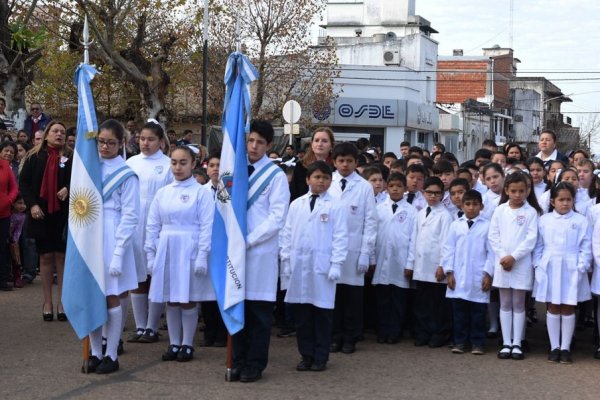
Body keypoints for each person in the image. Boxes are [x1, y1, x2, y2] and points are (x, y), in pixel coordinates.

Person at [231, 120, 290, 383]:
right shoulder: (233, 170)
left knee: (259, 313)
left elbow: (277, 218)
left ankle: (255, 363)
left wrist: (249, 240)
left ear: (268, 145)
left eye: (260, 143)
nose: (253, 146)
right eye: (251, 140)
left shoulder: (275, 176)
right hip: (235, 252)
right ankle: (238, 359)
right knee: (237, 307)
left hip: (260, 253)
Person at [145, 145, 213, 362]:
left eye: (183, 162)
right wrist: (150, 254)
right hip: (167, 247)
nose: (177, 167)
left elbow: (207, 225)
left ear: (193, 164)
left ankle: (187, 343)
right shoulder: (163, 193)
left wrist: (203, 254)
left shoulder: (201, 192)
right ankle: (174, 343)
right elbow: (152, 225)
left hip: (189, 248)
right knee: (171, 298)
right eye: (174, 162)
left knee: (187, 298)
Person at [280, 161, 347, 372]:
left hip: (323, 268)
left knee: (322, 315)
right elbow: (287, 233)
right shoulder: (296, 204)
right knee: (302, 315)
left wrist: (336, 263)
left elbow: (340, 237)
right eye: (317, 177)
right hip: (299, 266)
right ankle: (305, 355)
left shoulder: (336, 206)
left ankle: (321, 356)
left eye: (326, 178)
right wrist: (286, 259)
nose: (321, 181)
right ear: (308, 179)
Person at [86, 119, 140, 374]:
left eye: (111, 143)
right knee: (92, 295)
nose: (105, 147)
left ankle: (111, 353)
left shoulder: (126, 173)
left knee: (111, 295)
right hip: (90, 232)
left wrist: (118, 253)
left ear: (121, 144)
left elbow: (130, 216)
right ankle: (95, 351)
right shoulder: (89, 165)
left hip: (112, 233)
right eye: (101, 141)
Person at [125, 120, 173, 344]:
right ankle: (141, 326)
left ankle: (153, 327)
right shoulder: (131, 162)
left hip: (157, 226)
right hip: (135, 226)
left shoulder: (167, 165)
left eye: (151, 139)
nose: (145, 143)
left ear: (161, 142)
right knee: (137, 277)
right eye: (142, 138)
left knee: (155, 275)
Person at [533, 182, 591, 364]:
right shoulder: (544, 221)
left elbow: (586, 246)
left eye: (569, 200)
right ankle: (554, 346)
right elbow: (538, 246)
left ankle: (565, 347)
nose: (565, 203)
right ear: (552, 202)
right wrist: (538, 265)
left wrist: (581, 266)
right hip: (550, 265)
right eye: (561, 199)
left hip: (572, 266)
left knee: (568, 306)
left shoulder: (580, 221)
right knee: (553, 305)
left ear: (573, 201)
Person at [329, 142, 377, 355]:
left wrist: (366, 252)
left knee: (352, 299)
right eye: (341, 161)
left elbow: (370, 221)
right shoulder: (328, 182)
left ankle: (350, 337)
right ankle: (334, 336)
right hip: (331, 250)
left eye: (349, 161)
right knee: (334, 297)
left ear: (356, 162)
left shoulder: (364, 187)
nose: (345, 165)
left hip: (355, 249)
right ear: (334, 162)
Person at [19, 121, 71, 315]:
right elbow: (23, 183)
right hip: (39, 212)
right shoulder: (34, 156)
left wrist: (69, 187)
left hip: (62, 214)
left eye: (62, 132)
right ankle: (47, 303)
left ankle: (62, 302)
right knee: (46, 256)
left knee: (62, 257)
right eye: (55, 131)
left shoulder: (70, 157)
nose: (59, 134)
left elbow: (79, 180)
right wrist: (31, 205)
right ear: (47, 134)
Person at [488, 172, 541, 361]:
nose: (517, 194)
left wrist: (514, 257)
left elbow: (531, 239)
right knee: (505, 303)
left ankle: (517, 342)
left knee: (519, 303)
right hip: (502, 263)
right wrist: (503, 256)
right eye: (513, 191)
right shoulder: (500, 210)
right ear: (506, 191)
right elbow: (493, 235)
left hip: (521, 263)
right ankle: (506, 342)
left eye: (521, 191)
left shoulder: (531, 212)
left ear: (527, 191)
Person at [442, 190, 493, 355]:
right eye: (468, 204)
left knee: (478, 313)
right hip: (458, 275)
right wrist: (449, 272)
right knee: (459, 313)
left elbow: (491, 252)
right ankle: (460, 341)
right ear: (462, 206)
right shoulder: (456, 225)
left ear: (481, 206)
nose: (471, 208)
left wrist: (488, 274)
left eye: (475, 204)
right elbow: (448, 249)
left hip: (478, 276)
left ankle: (477, 342)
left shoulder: (487, 226)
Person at [406, 176, 453, 347]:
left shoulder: (445, 215)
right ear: (423, 193)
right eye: (429, 193)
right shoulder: (420, 214)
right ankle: (423, 332)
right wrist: (410, 264)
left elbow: (447, 243)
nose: (433, 196)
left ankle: (438, 333)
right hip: (420, 265)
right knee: (422, 302)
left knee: (437, 304)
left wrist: (442, 265)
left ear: (442, 195)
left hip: (435, 267)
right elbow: (414, 240)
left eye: (437, 193)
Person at [372, 172, 417, 344]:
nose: (395, 189)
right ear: (386, 187)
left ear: (405, 189)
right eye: (391, 186)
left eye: (399, 186)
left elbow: (413, 239)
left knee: (398, 301)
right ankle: (382, 330)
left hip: (401, 261)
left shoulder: (412, 211)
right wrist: (371, 259)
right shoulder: (379, 209)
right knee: (382, 300)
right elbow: (372, 234)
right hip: (382, 258)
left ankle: (394, 331)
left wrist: (410, 263)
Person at [200, 152, 227, 347]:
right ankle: (209, 332)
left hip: (224, 245)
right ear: (206, 168)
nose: (216, 169)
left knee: (222, 292)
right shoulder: (200, 191)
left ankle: (222, 332)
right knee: (207, 294)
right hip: (206, 245)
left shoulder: (231, 191)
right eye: (212, 165)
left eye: (219, 165)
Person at [289, 127, 334, 201]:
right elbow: (294, 193)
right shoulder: (301, 166)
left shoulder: (336, 167)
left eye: (324, 141)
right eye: (316, 140)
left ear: (331, 145)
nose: (320, 144)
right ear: (312, 144)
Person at [0, 155, 18, 290]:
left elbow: (14, 188)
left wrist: (9, 201)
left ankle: (2, 279)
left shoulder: (5, 165)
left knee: (2, 247)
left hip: (3, 213)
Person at [9, 195, 26, 288]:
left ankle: (17, 277)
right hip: (4, 235)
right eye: (19, 203)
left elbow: (18, 230)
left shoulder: (22, 216)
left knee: (16, 254)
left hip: (12, 238)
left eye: (24, 203)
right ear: (13, 203)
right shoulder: (8, 212)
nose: (22, 206)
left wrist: (14, 240)